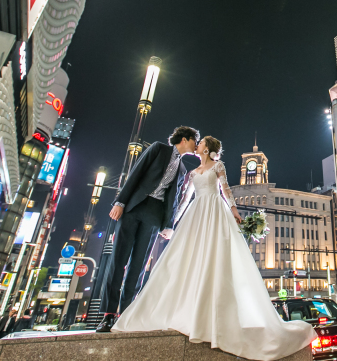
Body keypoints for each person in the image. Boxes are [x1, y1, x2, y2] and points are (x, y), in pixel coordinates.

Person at [112, 137, 315, 360]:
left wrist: (235, 211)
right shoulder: (192, 173)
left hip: (214, 210)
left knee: (215, 256)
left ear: (207, 149)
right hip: (196, 213)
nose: (196, 145)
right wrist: (172, 223)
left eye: (200, 144)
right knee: (188, 258)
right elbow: (183, 200)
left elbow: (226, 189)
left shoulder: (218, 166)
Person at [96, 126, 201, 333]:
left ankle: (125, 315)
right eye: (194, 141)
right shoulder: (158, 149)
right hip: (133, 208)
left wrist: (169, 225)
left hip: (153, 217)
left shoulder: (182, 169)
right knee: (118, 260)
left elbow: (173, 199)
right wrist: (120, 202)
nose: (196, 145)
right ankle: (108, 315)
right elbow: (135, 174)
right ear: (185, 139)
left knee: (138, 266)